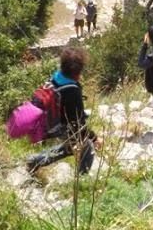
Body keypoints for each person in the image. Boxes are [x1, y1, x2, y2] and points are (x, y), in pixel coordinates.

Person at [26, 47, 102, 175]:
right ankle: (82, 180)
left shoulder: (57, 77)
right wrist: (94, 138)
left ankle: (35, 161)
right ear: (79, 71)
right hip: (57, 125)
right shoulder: (72, 91)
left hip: (46, 121)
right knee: (86, 145)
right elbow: (77, 125)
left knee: (73, 144)